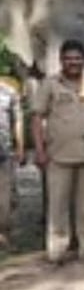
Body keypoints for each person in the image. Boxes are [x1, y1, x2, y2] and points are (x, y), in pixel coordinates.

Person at [30, 40, 84, 265]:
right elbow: (37, 118)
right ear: (61, 61)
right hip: (58, 156)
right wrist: (39, 150)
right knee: (57, 205)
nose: (73, 63)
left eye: (77, 58)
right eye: (68, 59)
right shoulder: (51, 84)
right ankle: (57, 248)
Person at [0, 77, 24, 247]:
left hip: (4, 151)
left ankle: (3, 233)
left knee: (6, 197)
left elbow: (18, 121)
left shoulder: (8, 91)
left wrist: (20, 146)